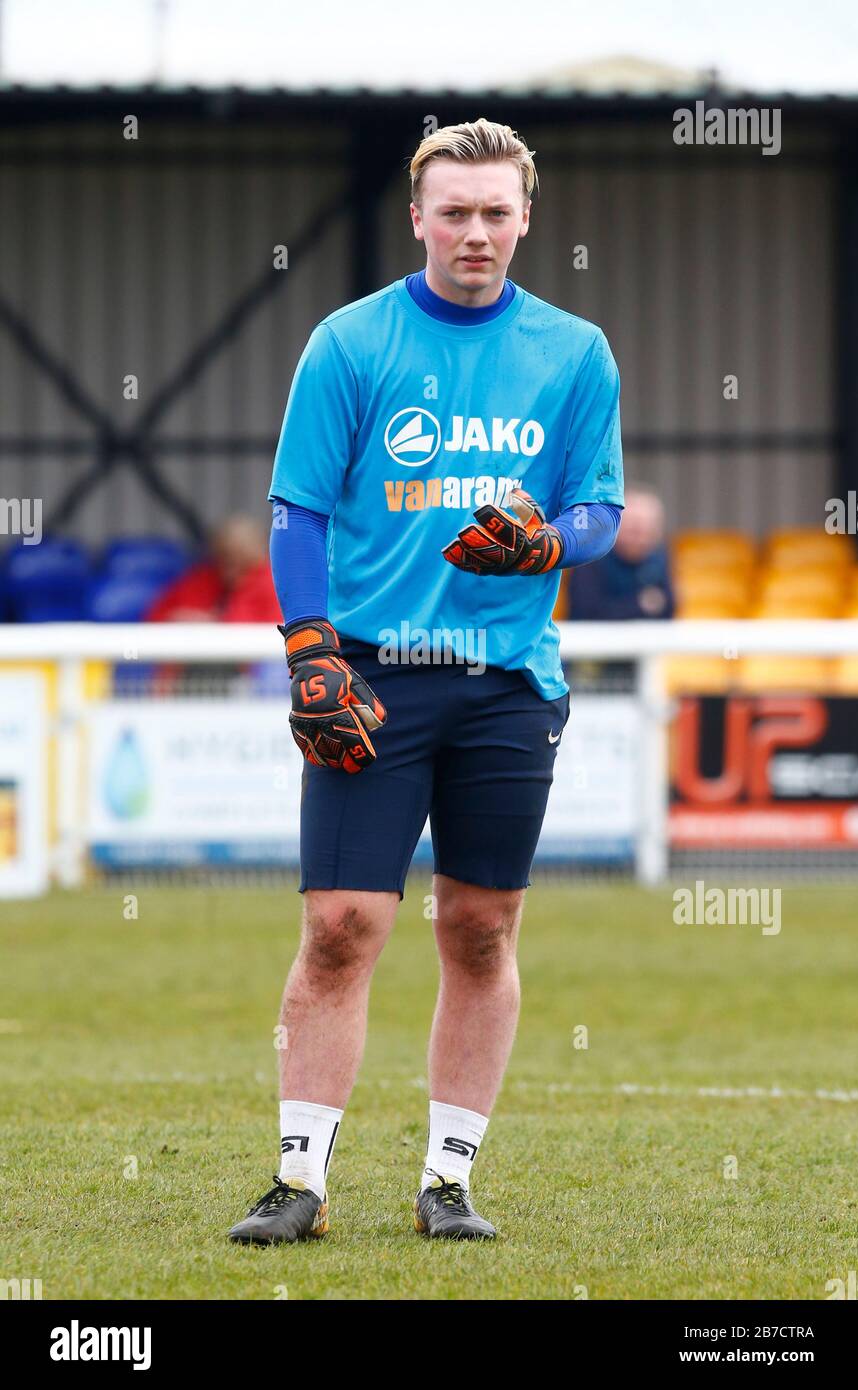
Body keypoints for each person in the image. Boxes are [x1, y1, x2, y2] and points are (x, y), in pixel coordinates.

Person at [228, 117, 625, 1247]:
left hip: (506, 684)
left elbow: (599, 509)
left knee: (481, 928)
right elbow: (297, 509)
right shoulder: (349, 344)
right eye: (454, 211)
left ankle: (448, 1180)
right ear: (417, 217)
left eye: (497, 211)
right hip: (372, 673)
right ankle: (298, 1178)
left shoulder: (576, 350)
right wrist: (310, 649)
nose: (476, 232)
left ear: (526, 219)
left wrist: (548, 541)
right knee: (344, 922)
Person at [145, 516, 281, 623]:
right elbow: (159, 619)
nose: (232, 571)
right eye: (226, 558)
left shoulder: (272, 583)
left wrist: (215, 624)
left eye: (242, 562)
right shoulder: (204, 579)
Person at [568, 484, 674, 620]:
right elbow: (586, 612)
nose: (640, 539)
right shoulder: (590, 557)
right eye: (634, 530)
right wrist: (640, 604)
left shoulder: (658, 557)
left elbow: (669, 608)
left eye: (647, 531)